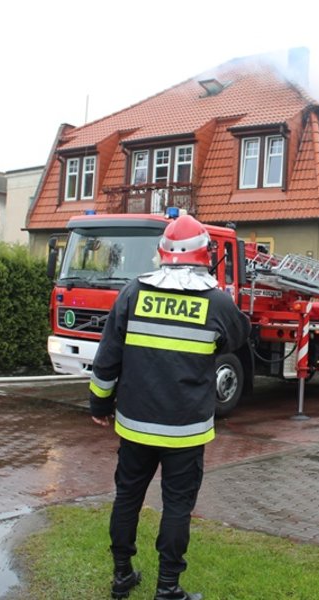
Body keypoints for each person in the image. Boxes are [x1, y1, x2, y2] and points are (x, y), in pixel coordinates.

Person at [89, 214, 251, 600]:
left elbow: (107, 356)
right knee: (177, 505)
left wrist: (99, 402)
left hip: (134, 423)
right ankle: (167, 588)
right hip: (185, 428)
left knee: (127, 496)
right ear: (204, 255)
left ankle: (122, 575)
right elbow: (239, 336)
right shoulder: (217, 302)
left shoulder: (132, 292)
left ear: (162, 252)